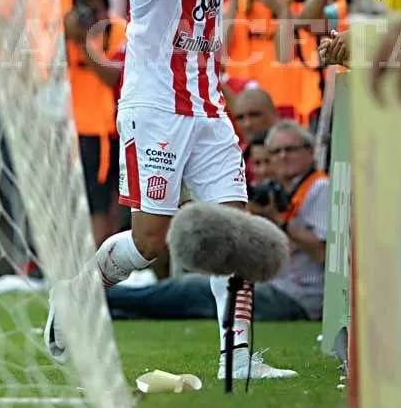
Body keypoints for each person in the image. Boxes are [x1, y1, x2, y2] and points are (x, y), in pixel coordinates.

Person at [43, 0, 373, 380]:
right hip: (155, 109)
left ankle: (237, 358)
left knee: (235, 233)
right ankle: (78, 291)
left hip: (209, 107)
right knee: (151, 242)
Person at [102, 120, 327, 324]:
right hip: (270, 289)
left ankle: (97, 296)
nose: (283, 157)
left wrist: (278, 220)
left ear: (310, 152)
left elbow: (323, 252)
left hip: (298, 297)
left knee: (190, 290)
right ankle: (102, 301)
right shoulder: (271, 192)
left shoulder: (319, 188)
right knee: (181, 298)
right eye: (276, 152)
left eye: (290, 149)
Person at [64, 0, 126, 247]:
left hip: (120, 127)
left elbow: (111, 76)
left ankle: (111, 259)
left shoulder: (120, 30)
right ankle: (93, 260)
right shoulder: (63, 34)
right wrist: (71, 36)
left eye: (96, 11)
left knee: (122, 201)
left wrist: (85, 43)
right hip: (84, 129)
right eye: (84, 10)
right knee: (94, 202)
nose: (91, 17)